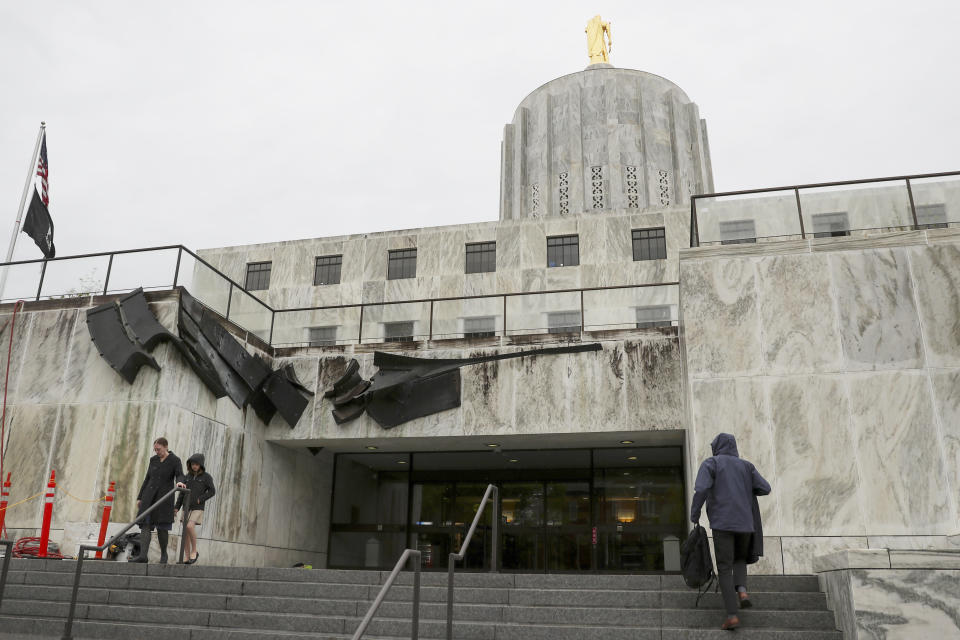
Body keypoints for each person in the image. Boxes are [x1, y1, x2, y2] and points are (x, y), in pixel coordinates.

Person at [690, 433, 771, 631]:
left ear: (716, 447)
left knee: (725, 567)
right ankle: (742, 590)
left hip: (722, 523)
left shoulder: (712, 463)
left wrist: (695, 514)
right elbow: (765, 488)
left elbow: (701, 489)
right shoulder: (747, 466)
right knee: (740, 558)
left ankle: (732, 615)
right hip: (745, 524)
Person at [132, 437, 185, 564]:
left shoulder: (175, 460)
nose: (157, 452)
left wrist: (180, 482)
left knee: (162, 527)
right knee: (145, 524)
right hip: (149, 497)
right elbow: (147, 478)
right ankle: (143, 555)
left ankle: (164, 554)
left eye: (159, 449)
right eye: (155, 449)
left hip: (164, 498)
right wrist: (140, 497)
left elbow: (180, 474)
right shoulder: (153, 460)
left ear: (166, 447)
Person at [175, 453, 216, 565]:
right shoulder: (187, 477)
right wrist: (176, 508)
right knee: (185, 532)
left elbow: (212, 491)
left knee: (189, 526)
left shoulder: (206, 477)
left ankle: (194, 551)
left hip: (198, 507)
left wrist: (200, 499)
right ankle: (187, 557)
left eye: (197, 464)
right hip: (186, 507)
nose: (194, 466)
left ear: (201, 465)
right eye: (193, 464)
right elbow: (182, 493)